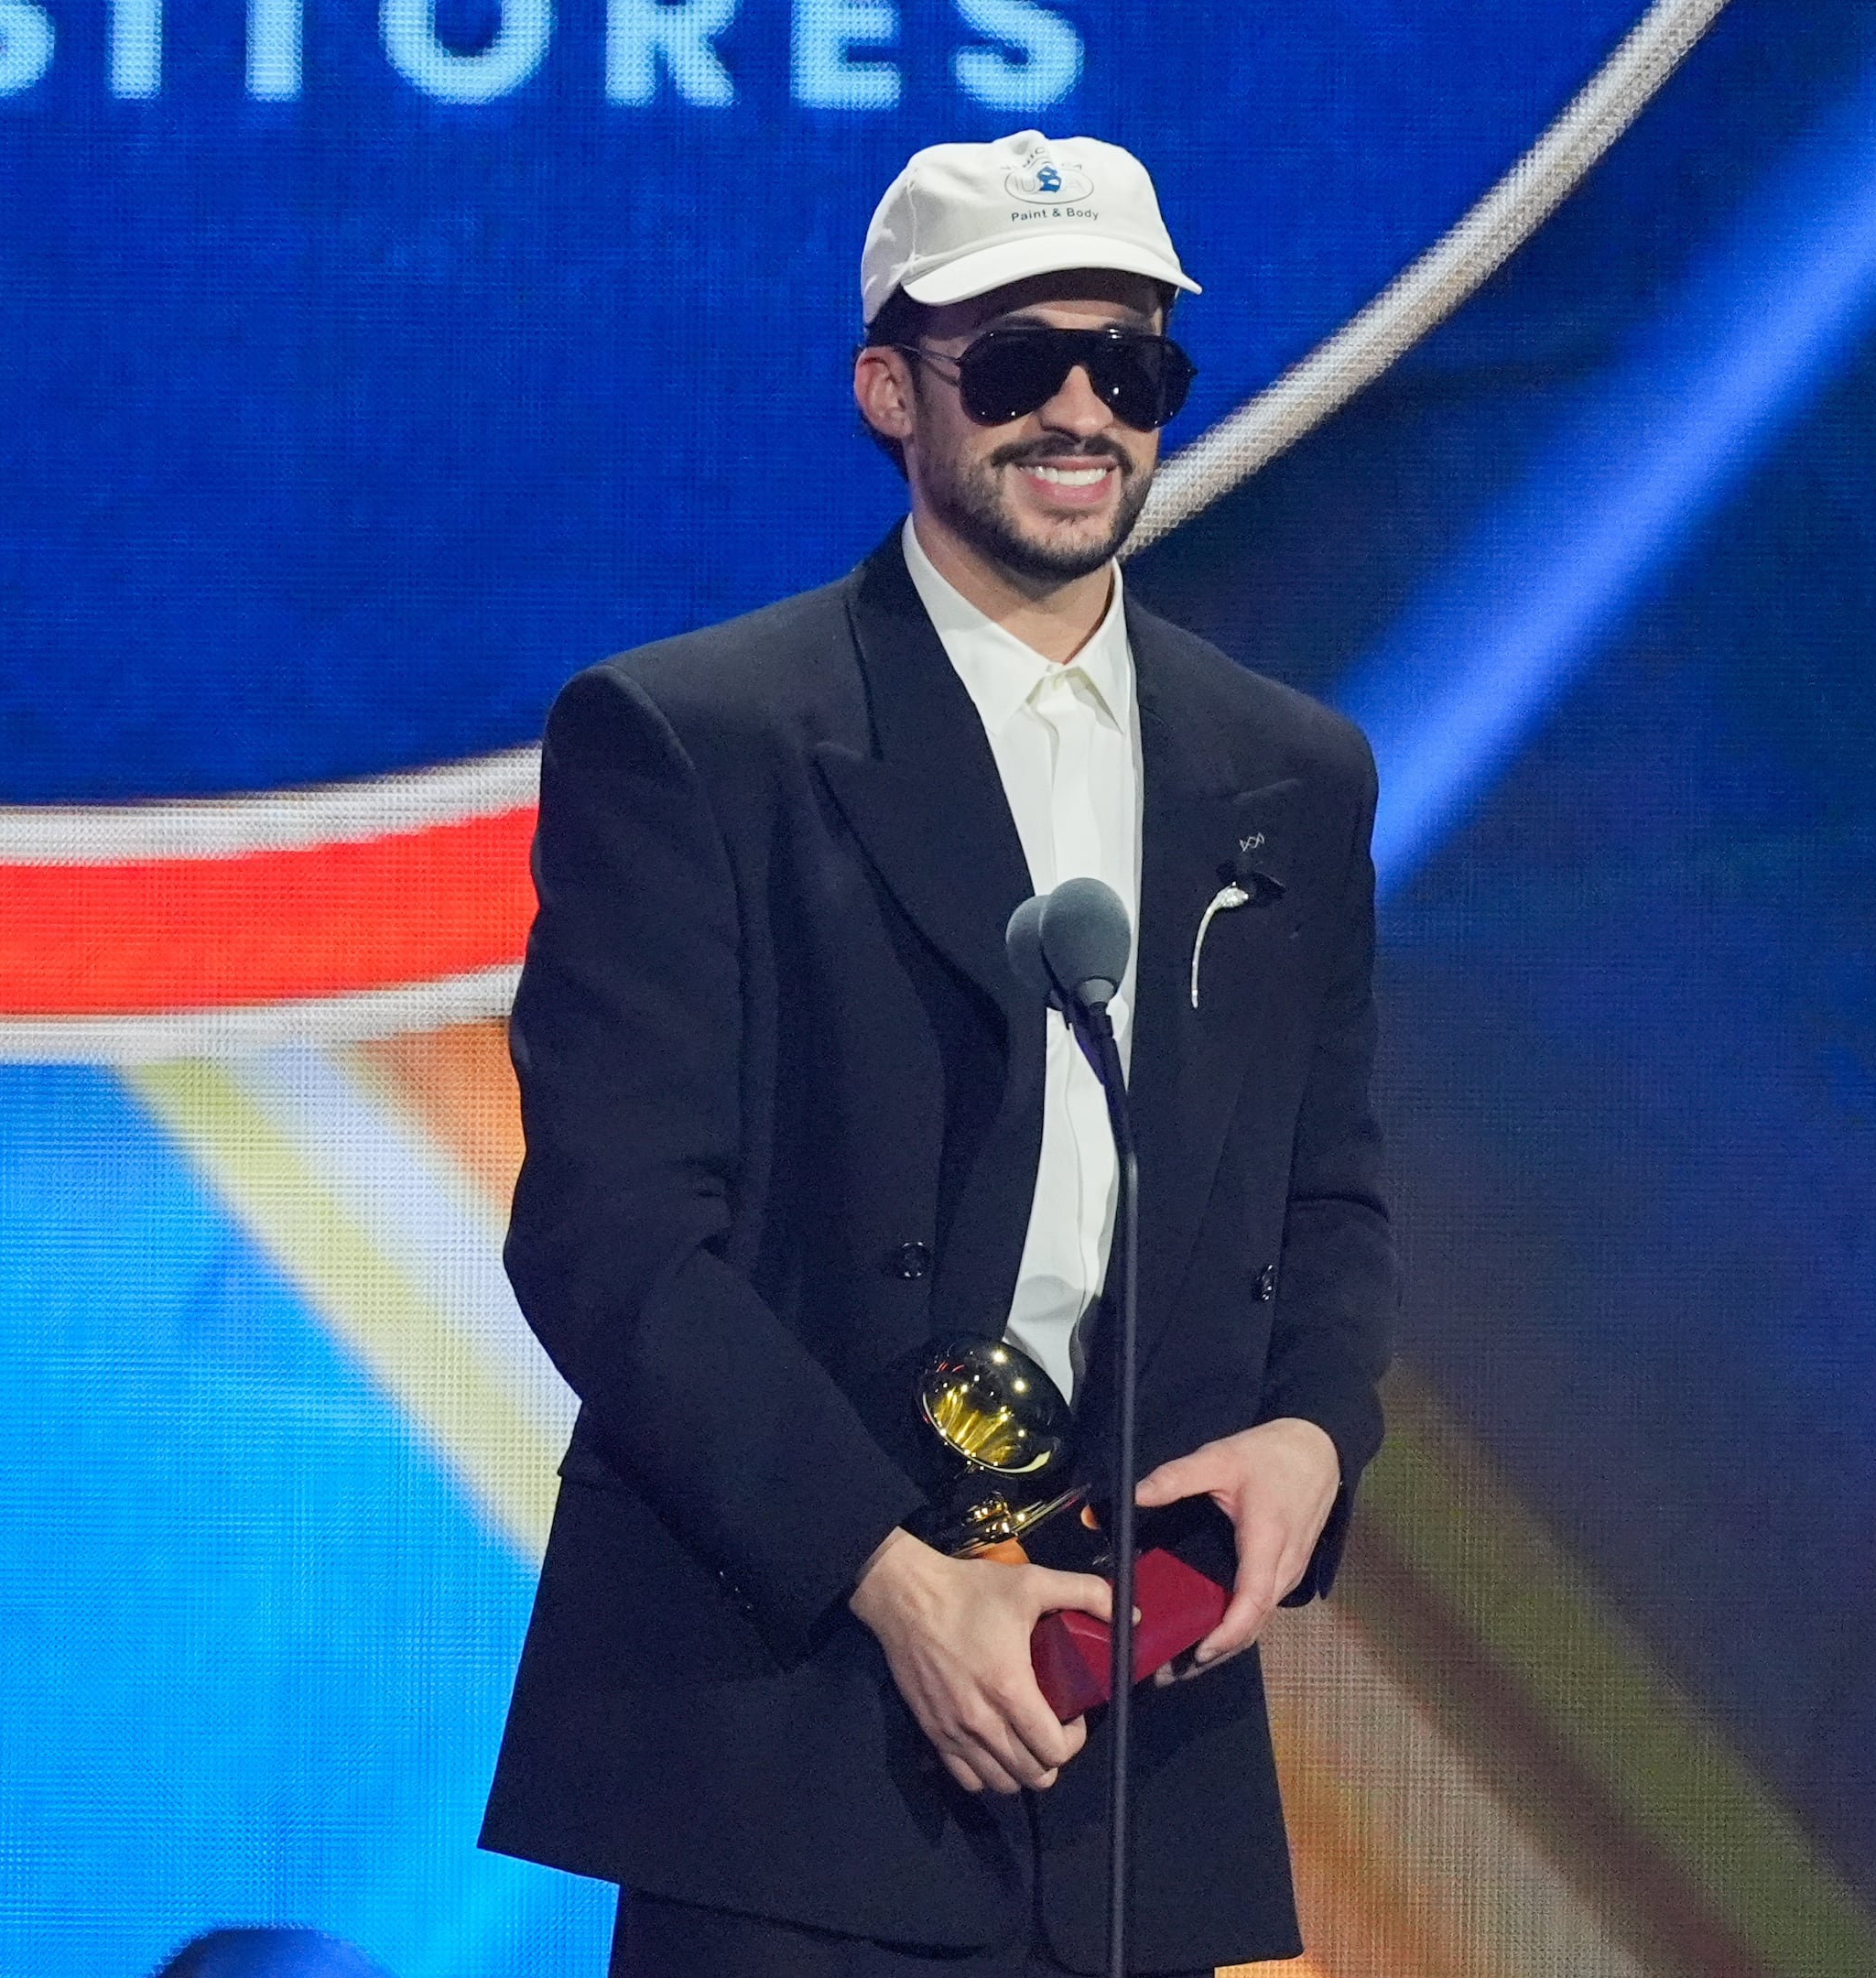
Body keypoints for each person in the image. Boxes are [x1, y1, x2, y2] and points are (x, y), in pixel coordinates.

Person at [479, 130, 1397, 1978]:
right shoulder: (697, 739)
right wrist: (894, 1579)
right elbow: (610, 1235)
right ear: (890, 393)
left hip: (1133, 1744)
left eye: (1125, 364)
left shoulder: (1287, 775)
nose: (1080, 411)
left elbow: (1331, 1191)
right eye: (1018, 362)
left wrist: (1315, 1435)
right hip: (800, 1723)